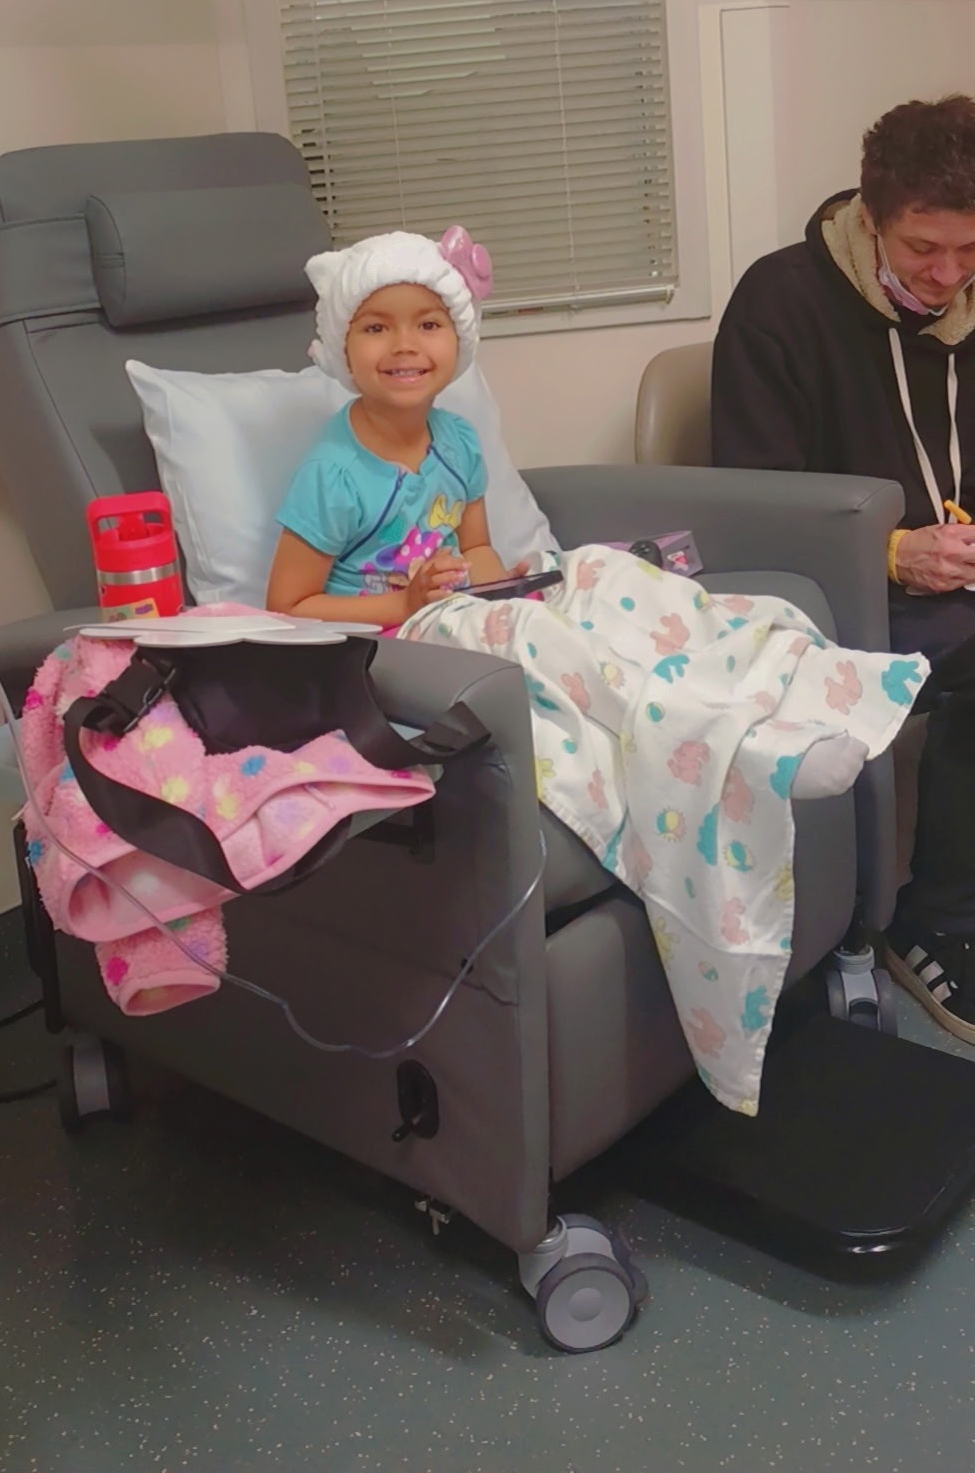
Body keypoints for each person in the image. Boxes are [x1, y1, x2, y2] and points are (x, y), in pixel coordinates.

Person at [266, 226, 922, 1114]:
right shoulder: (333, 472)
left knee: (609, 576)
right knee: (559, 648)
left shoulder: (456, 442)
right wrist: (403, 599)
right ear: (343, 348)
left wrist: (510, 577)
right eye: (377, 327)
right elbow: (288, 605)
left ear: (457, 340)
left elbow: (479, 549)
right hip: (401, 639)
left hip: (470, 602)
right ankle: (740, 745)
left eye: (427, 324)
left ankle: (786, 693)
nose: (405, 346)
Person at [712, 93, 975, 1040]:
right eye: (923, 249)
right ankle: (936, 922)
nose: (948, 275)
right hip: (835, 598)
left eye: (970, 250)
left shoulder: (967, 301)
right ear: (871, 218)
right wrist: (894, 552)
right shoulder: (780, 304)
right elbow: (754, 512)